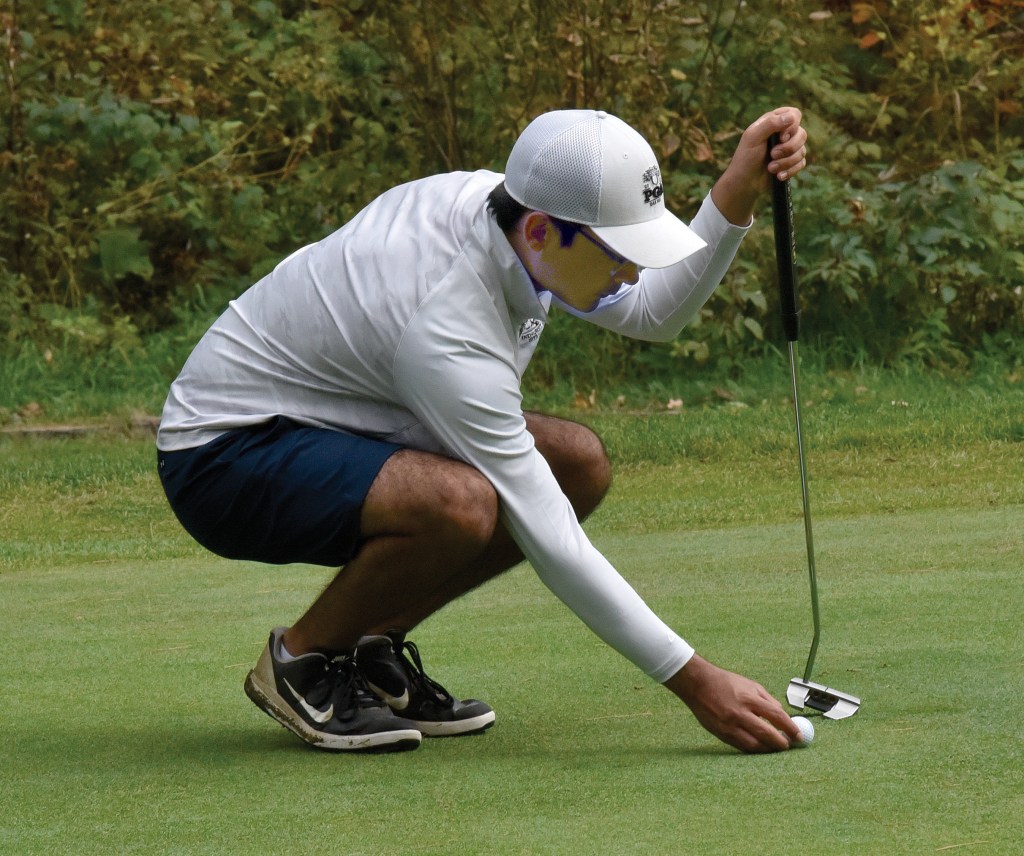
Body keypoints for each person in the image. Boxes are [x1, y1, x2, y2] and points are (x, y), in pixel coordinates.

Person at [157, 106, 809, 754]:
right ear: (541, 233)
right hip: (224, 455)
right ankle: (302, 661)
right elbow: (549, 534)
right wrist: (696, 682)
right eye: (620, 254)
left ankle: (369, 649)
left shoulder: (518, 215)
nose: (634, 272)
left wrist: (737, 189)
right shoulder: (446, 316)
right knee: (461, 504)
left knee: (576, 462)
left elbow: (653, 313)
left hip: (346, 420)